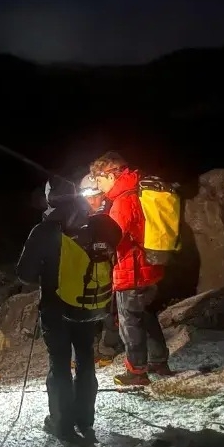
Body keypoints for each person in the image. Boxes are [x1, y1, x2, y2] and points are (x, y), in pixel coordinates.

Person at [17, 177, 122, 443]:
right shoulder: (97, 223)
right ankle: (85, 420)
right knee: (86, 359)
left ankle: (62, 424)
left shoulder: (45, 230)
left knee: (60, 365)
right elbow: (116, 239)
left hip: (56, 308)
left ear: (50, 198)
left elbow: (24, 274)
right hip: (89, 305)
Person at [89, 152, 174, 386]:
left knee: (129, 322)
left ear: (110, 174)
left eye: (99, 179)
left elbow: (112, 238)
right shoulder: (136, 192)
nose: (97, 185)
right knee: (146, 316)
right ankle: (159, 361)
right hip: (148, 268)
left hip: (132, 271)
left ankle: (136, 372)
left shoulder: (123, 201)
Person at [79, 174, 124, 367]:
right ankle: (83, 352)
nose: (91, 200)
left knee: (109, 311)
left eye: (95, 195)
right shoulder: (79, 216)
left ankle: (108, 348)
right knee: (83, 311)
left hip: (110, 270)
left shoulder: (112, 213)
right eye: (86, 196)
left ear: (103, 195)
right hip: (86, 272)